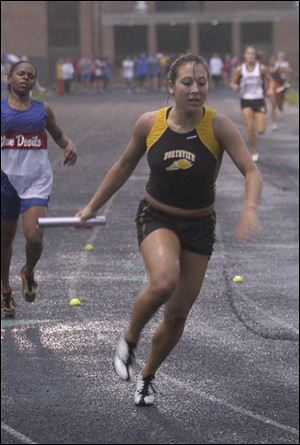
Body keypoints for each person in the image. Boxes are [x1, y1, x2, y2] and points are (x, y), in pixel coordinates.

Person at [76, 54, 263, 406]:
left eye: (202, 82)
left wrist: (250, 209)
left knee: (177, 314)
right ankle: (129, 340)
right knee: (164, 281)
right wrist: (91, 207)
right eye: (187, 82)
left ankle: (147, 376)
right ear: (170, 86)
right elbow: (122, 166)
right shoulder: (150, 124)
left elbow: (250, 171)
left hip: (199, 225)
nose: (195, 89)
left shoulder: (218, 126)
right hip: (156, 216)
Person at [1, 61, 77, 318]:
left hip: (36, 179)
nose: (26, 78)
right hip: (5, 180)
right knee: (4, 240)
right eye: (21, 74)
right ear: (9, 79)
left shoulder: (42, 109)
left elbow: (57, 134)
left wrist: (68, 144)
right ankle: (5, 291)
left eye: (30, 76)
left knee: (34, 237)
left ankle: (28, 272)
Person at [231, 46, 272, 162]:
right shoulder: (240, 69)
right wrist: (235, 86)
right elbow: (233, 82)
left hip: (259, 99)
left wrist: (269, 89)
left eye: (252, 53)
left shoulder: (261, 68)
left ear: (255, 55)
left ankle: (256, 122)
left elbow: (270, 79)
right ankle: (254, 150)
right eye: (248, 53)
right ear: (245, 56)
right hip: (246, 99)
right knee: (249, 127)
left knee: (261, 130)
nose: (250, 55)